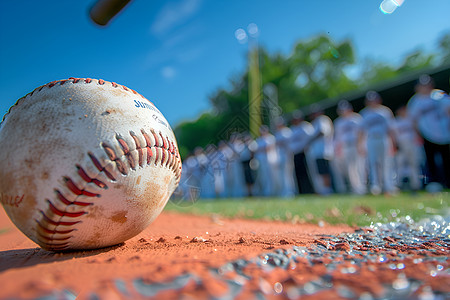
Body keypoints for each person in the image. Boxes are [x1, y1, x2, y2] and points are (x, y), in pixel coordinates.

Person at [407, 75, 450, 189]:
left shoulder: (439, 94)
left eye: (427, 84)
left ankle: (448, 182)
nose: (425, 87)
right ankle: (434, 184)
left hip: (445, 134)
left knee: (447, 159)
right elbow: (413, 121)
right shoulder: (415, 101)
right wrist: (418, 135)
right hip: (427, 135)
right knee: (430, 160)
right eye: (422, 85)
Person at [358, 91, 397, 195]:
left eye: (374, 99)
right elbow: (361, 131)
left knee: (387, 162)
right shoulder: (364, 113)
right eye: (370, 100)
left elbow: (391, 129)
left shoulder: (385, 111)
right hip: (370, 139)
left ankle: (389, 185)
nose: (372, 102)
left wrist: (393, 142)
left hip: (384, 138)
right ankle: (376, 186)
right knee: (373, 163)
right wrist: (360, 144)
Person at [333, 100, 366, 195]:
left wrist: (361, 145)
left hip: (356, 144)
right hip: (345, 146)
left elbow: (362, 132)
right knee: (350, 168)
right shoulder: (338, 122)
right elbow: (338, 137)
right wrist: (338, 149)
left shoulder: (356, 118)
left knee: (360, 166)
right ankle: (356, 188)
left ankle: (362, 187)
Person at [393, 106, 423, 192]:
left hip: (412, 144)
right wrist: (396, 145)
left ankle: (416, 185)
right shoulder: (396, 121)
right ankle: (398, 185)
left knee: (414, 164)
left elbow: (416, 130)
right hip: (401, 145)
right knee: (399, 165)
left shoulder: (410, 119)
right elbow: (394, 135)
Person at [307, 105, 335, 195]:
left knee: (324, 171)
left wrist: (311, 139)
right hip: (318, 152)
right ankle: (324, 189)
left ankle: (327, 189)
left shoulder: (322, 119)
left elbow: (322, 131)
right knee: (321, 171)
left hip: (323, 151)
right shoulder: (315, 122)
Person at [289, 110, 315, 194]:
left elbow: (310, 139)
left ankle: (310, 190)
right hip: (296, 154)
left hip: (305, 153)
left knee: (307, 173)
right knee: (298, 174)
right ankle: (302, 191)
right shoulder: (292, 129)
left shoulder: (305, 126)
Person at [253, 125, 279, 196]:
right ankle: (266, 191)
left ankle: (272, 191)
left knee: (272, 176)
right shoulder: (259, 140)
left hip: (270, 161)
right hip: (261, 162)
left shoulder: (270, 138)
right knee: (263, 177)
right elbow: (255, 150)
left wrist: (262, 149)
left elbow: (268, 148)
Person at [274, 117, 296, 197]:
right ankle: (284, 191)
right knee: (282, 175)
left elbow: (287, 143)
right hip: (280, 156)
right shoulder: (278, 133)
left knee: (288, 175)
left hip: (287, 156)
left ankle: (290, 191)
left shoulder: (287, 132)